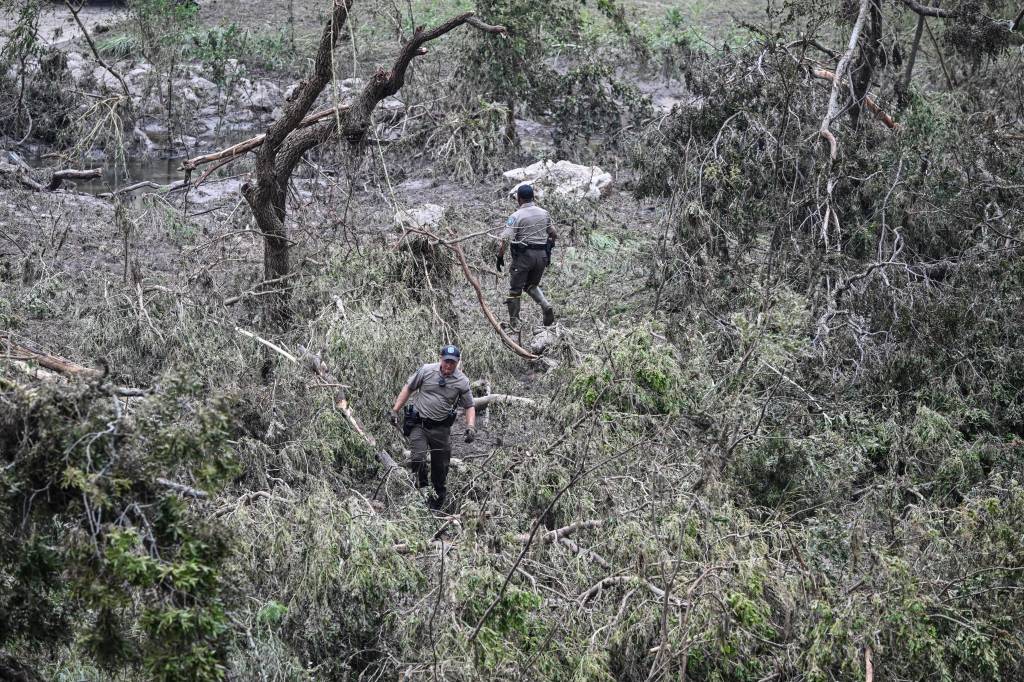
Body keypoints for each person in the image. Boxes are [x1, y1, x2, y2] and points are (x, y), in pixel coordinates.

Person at [390, 345, 476, 510]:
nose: (449, 366)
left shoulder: (462, 381)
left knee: (440, 466)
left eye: (453, 363)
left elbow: (469, 406)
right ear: (440, 359)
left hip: (441, 429)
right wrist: (395, 410)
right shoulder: (426, 370)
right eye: (446, 361)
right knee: (418, 458)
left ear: (457, 363)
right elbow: (409, 387)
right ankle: (422, 491)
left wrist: (471, 426)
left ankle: (438, 501)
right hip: (419, 424)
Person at [496, 184, 558, 329]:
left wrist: (500, 256)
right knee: (531, 285)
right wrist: (548, 249)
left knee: (515, 290)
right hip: (542, 256)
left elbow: (505, 239)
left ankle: (514, 323)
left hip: (524, 257)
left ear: (519, 199)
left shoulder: (516, 216)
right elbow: (553, 234)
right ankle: (545, 305)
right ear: (533, 197)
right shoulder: (544, 213)